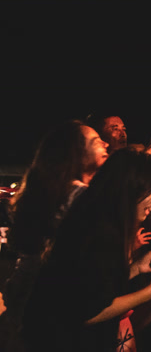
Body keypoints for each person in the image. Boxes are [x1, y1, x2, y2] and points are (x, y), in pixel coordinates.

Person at [22, 149, 151, 351]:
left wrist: (137, 268)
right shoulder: (101, 233)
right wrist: (150, 292)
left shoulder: (98, 220)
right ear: (130, 187)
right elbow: (88, 312)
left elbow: (93, 288)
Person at [0, 120, 109, 350]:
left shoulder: (52, 193)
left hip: (24, 313)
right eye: (97, 141)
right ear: (76, 153)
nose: (106, 144)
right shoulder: (80, 197)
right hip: (50, 320)